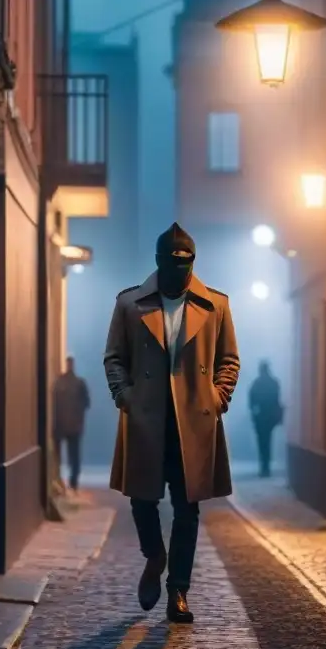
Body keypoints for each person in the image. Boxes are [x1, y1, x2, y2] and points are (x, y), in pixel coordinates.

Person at [104, 222, 240, 623]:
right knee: (141, 501)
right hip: (147, 420)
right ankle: (154, 554)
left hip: (192, 424)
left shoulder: (215, 305)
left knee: (187, 510)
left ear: (193, 263)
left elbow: (228, 360)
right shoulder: (130, 304)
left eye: (185, 263)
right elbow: (114, 357)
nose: (178, 269)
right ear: (158, 262)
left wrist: (217, 399)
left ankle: (178, 591)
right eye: (171, 262)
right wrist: (124, 396)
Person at [52, 356, 90, 491]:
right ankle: (71, 482)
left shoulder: (59, 383)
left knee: (62, 455)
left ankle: (64, 480)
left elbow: (54, 403)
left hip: (61, 425)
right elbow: (86, 403)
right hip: (72, 426)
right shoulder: (79, 383)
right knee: (73, 456)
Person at [249, 360, 283, 478]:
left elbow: (252, 401)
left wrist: (254, 414)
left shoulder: (257, 383)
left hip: (261, 417)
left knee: (262, 443)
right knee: (268, 441)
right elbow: (277, 400)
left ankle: (264, 467)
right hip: (270, 417)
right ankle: (266, 467)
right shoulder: (273, 383)